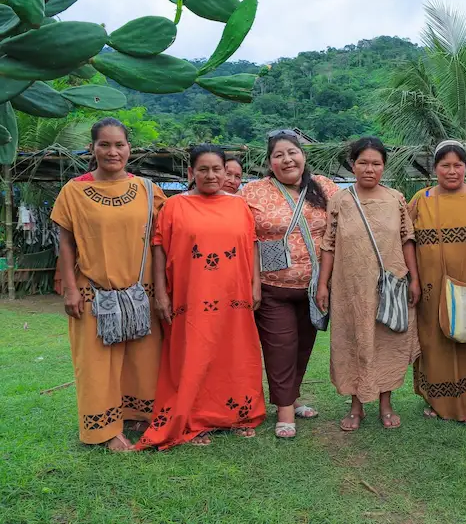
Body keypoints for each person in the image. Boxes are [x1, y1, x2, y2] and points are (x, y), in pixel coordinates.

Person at [136, 145, 266, 450]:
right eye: (203, 169)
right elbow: (159, 249)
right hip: (190, 297)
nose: (211, 175)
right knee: (193, 354)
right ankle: (194, 418)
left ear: (226, 171)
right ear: (190, 173)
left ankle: (236, 415)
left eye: (217, 169)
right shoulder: (173, 207)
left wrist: (256, 283)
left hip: (234, 297)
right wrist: (161, 294)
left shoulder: (239, 206)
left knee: (234, 353)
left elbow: (253, 245)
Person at [51, 118, 166, 452]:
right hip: (94, 291)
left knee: (143, 359)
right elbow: (66, 243)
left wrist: (163, 289)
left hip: (141, 291)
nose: (112, 151)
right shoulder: (73, 191)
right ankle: (102, 429)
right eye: (105, 144)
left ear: (129, 148)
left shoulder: (148, 190)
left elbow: (161, 241)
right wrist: (70, 288)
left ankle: (137, 415)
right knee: (97, 363)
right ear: (92, 148)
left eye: (119, 144)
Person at [240, 129, 340, 438]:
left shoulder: (324, 187)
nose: (287, 159)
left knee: (303, 347)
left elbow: (339, 232)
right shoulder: (254, 191)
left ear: (303, 156)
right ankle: (284, 411)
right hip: (273, 287)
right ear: (270, 163)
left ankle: (292, 397)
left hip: (314, 287)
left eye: (292, 152)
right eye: (278, 155)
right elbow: (245, 237)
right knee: (281, 347)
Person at [317, 136, 421, 431]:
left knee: (388, 342)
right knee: (352, 341)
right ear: (352, 165)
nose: (369, 169)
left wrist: (414, 279)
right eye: (363, 162)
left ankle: (386, 404)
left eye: (376, 163)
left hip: (390, 286)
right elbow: (329, 244)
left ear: (384, 167)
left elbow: (407, 239)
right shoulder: (339, 200)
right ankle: (356, 406)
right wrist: (323, 284)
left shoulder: (396, 199)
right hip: (349, 288)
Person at [408, 140, 466, 424]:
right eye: (445, 165)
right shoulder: (421, 199)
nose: (451, 171)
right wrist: (412, 279)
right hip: (431, 290)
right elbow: (405, 240)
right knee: (434, 342)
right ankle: (436, 402)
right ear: (435, 168)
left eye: (458, 165)